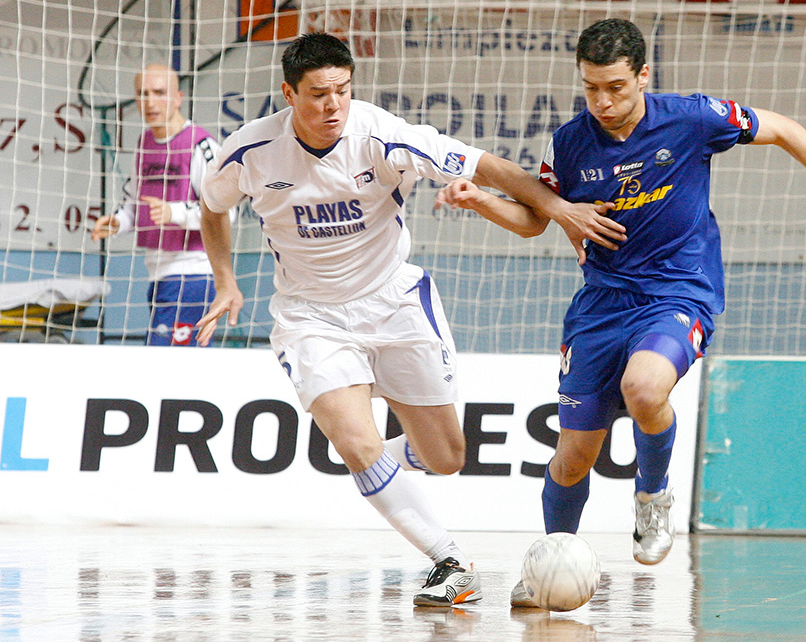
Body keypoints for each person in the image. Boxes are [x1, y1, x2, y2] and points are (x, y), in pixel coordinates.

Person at [433, 18, 806, 607]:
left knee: (645, 388)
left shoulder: (691, 118)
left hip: (679, 291)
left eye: (616, 87)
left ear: (644, 75)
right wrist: (480, 203)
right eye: (591, 87)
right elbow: (535, 220)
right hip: (600, 307)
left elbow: (784, 129)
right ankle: (550, 561)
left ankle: (652, 497)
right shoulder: (570, 143)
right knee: (572, 459)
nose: (603, 101)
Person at [193, 33, 622, 606]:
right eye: (318, 94)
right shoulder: (250, 151)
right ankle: (450, 560)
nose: (332, 106)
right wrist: (226, 280)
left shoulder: (384, 136)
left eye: (342, 91)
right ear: (288, 94)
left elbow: (492, 167)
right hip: (310, 316)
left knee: (447, 457)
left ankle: (377, 467)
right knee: (355, 443)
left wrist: (560, 208)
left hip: (394, 302)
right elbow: (212, 206)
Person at [92, 64, 227, 346]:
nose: (150, 102)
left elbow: (226, 211)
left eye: (159, 93)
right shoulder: (144, 144)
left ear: (178, 98)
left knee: (170, 366)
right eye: (142, 94)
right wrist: (119, 222)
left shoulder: (202, 145)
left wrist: (173, 212)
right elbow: (134, 201)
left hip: (194, 273)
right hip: (159, 273)